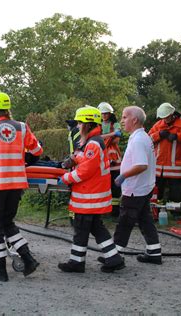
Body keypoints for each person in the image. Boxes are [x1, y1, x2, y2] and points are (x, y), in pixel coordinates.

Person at [0, 92, 43, 282]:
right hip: (16, 184)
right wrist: (25, 161)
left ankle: (0, 271)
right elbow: (37, 151)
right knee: (7, 223)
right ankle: (28, 259)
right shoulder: (22, 128)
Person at [58, 106, 125, 273]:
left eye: (80, 122)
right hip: (92, 194)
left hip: (89, 195)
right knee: (96, 227)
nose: (78, 126)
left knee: (81, 228)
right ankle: (114, 258)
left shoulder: (93, 143)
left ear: (87, 124)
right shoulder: (92, 141)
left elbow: (86, 170)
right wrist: (74, 159)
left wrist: (66, 178)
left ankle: (76, 262)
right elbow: (86, 159)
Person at [108, 106, 162, 265]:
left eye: (125, 117)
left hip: (135, 189)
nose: (122, 121)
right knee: (145, 220)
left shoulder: (138, 140)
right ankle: (154, 252)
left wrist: (123, 176)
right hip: (143, 187)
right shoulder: (142, 137)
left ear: (135, 119)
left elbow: (141, 165)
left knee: (125, 221)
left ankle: (113, 256)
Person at [148, 102, 181, 219]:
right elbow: (148, 139)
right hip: (159, 167)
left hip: (175, 166)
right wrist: (159, 134)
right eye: (163, 117)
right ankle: (155, 213)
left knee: (175, 193)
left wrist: (178, 136)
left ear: (172, 114)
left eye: (166, 116)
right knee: (157, 192)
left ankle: (176, 215)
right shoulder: (158, 125)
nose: (165, 119)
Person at [98, 102, 123, 218]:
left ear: (110, 114)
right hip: (102, 158)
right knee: (102, 185)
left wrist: (105, 137)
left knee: (115, 186)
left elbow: (116, 140)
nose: (104, 116)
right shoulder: (98, 125)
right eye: (102, 114)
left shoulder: (116, 124)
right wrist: (111, 134)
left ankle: (115, 212)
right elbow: (96, 138)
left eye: (106, 114)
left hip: (115, 160)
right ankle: (103, 210)